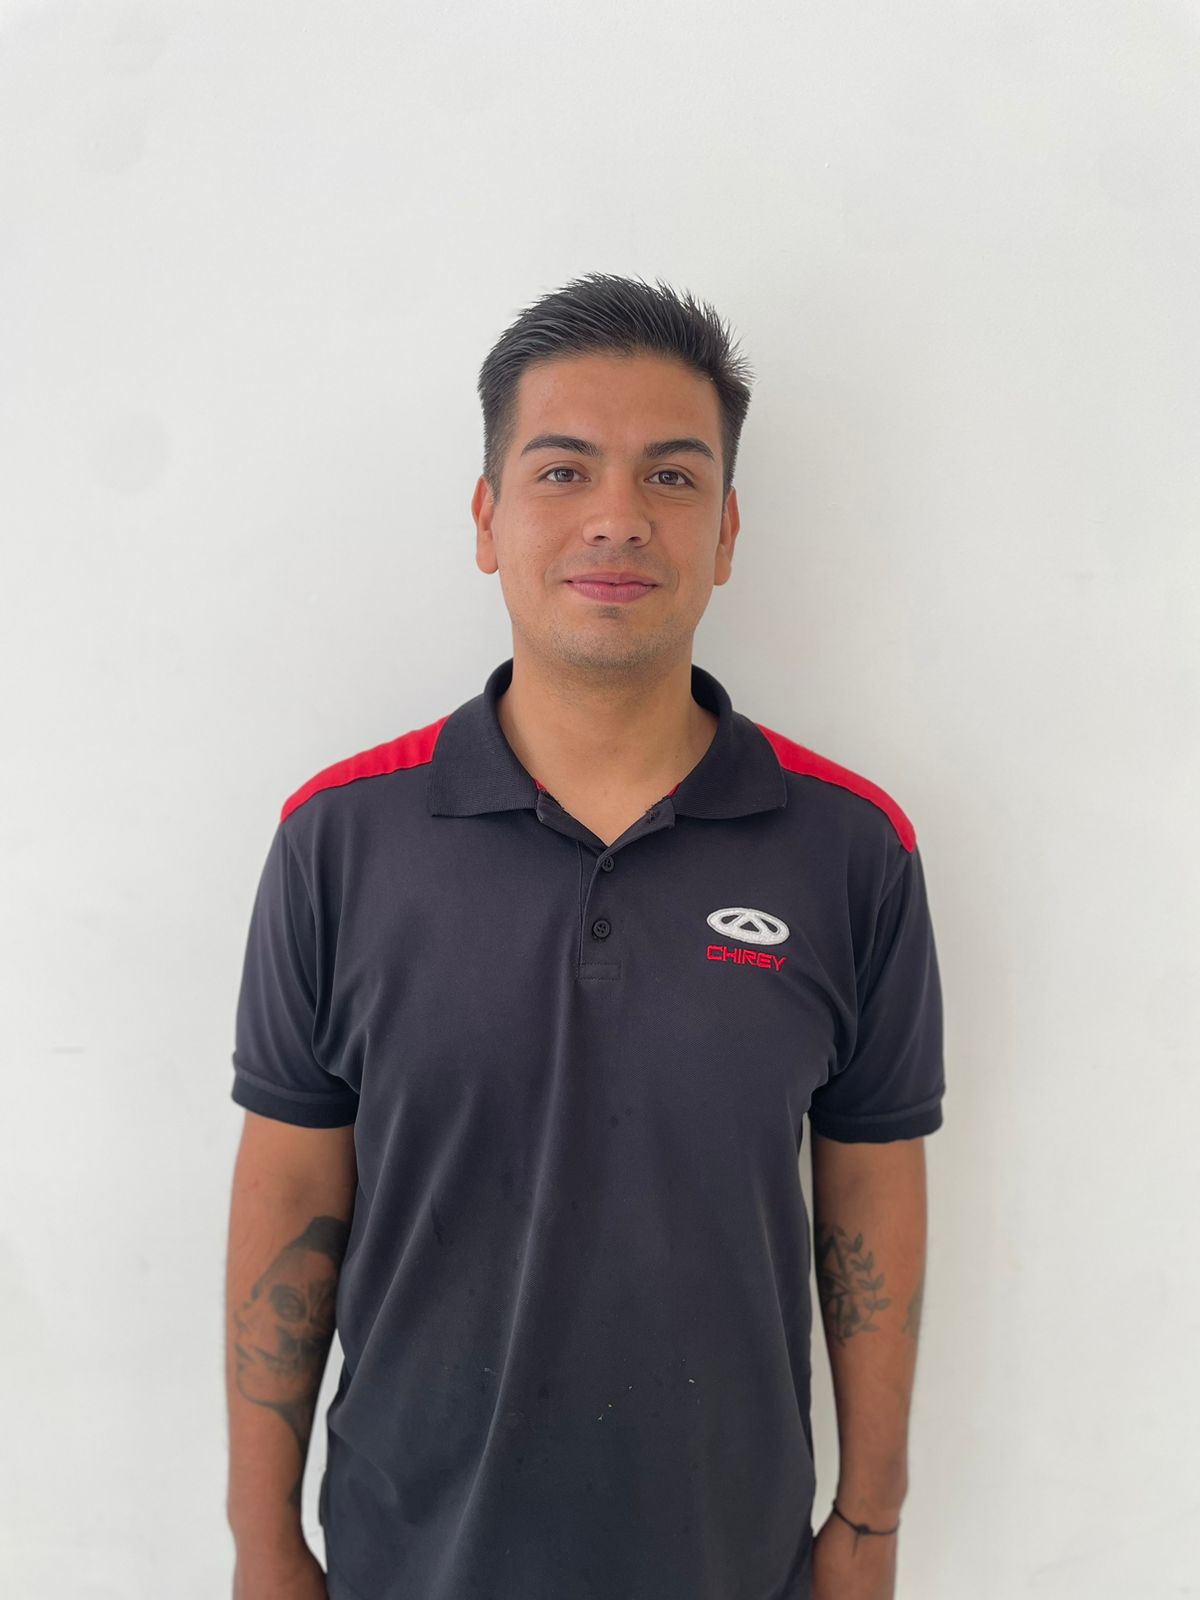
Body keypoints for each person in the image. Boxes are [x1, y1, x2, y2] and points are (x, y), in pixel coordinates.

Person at [224, 271, 946, 1600]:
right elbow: (290, 1188)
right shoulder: (337, 837)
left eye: (672, 477)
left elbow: (871, 1191)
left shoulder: (854, 849)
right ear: (487, 518)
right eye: (563, 471)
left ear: (726, 531)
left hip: (732, 1560)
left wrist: (872, 1519)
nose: (619, 516)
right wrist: (263, 1538)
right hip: (408, 1558)